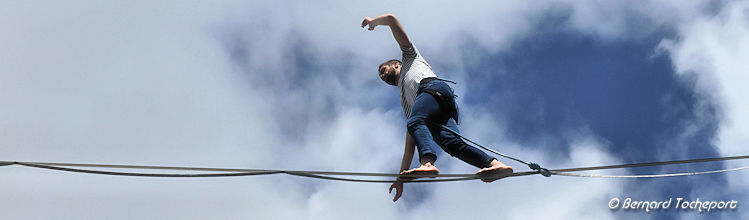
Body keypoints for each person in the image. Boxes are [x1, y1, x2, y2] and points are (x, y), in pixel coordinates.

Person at [361, 14, 514, 202]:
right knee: (452, 144)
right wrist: (401, 178)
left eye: (383, 71)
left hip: (432, 88)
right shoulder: (406, 100)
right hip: (439, 106)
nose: (382, 77)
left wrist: (374, 22)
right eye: (381, 77)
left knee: (416, 121)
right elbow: (410, 144)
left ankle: (427, 163)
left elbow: (392, 20)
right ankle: (495, 165)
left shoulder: (410, 58)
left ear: (396, 65)